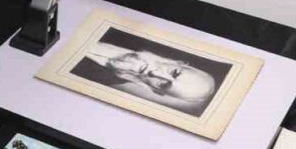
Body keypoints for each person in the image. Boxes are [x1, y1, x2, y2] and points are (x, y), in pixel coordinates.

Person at [74, 41, 219, 114]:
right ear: (177, 63)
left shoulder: (94, 82)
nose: (155, 73)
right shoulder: (129, 30)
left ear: (156, 91)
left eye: (164, 85)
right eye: (174, 72)